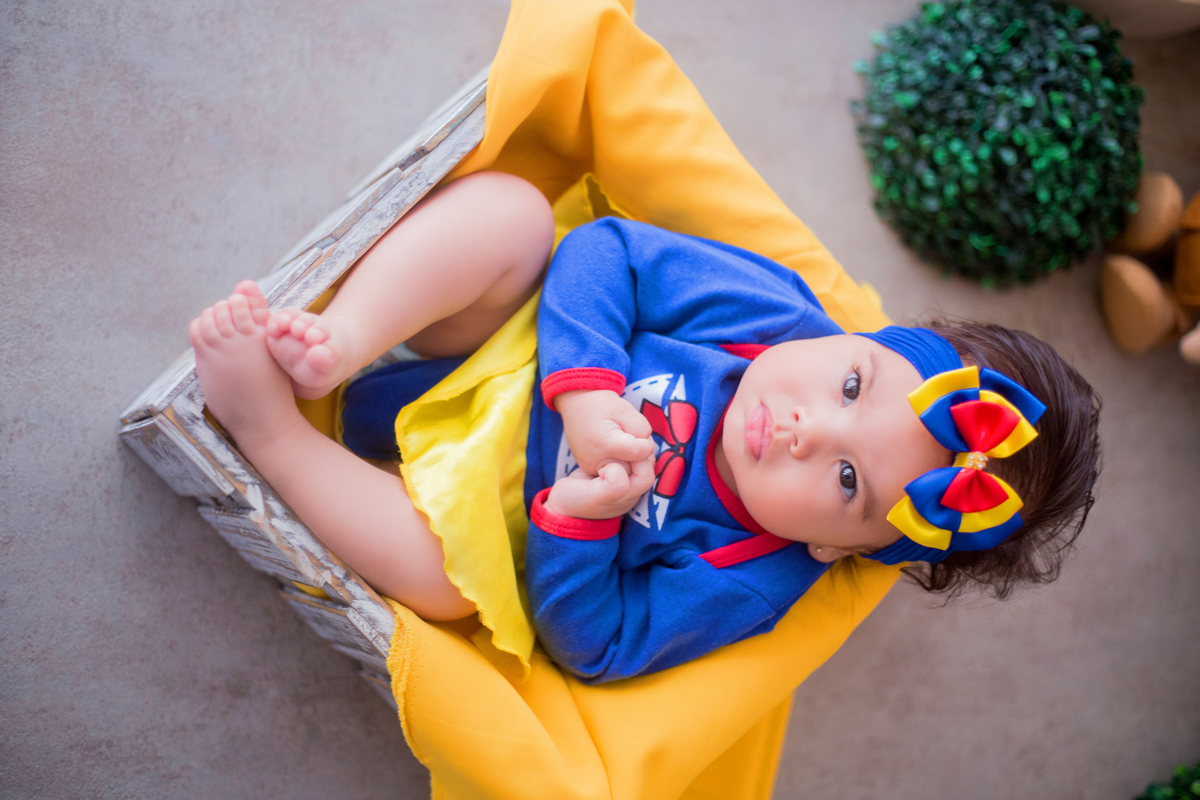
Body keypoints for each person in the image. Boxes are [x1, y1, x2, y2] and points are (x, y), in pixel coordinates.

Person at [190, 171, 1102, 683]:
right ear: (860, 338)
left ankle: (274, 431)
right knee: (515, 218)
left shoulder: (753, 578)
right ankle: (339, 340)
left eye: (848, 481)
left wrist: (582, 520)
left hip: (473, 506)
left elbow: (601, 647)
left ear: (836, 552)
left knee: (445, 588)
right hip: (509, 347)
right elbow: (610, 253)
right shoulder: (777, 314)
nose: (804, 429)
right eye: (853, 383)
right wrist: (584, 392)